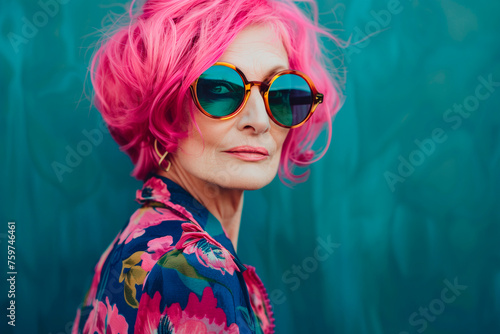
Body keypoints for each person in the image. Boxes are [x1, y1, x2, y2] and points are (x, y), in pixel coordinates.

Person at [72, 0, 343, 332]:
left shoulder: (144, 239)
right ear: (163, 110)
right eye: (220, 89)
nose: (259, 121)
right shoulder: (192, 270)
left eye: (282, 91)